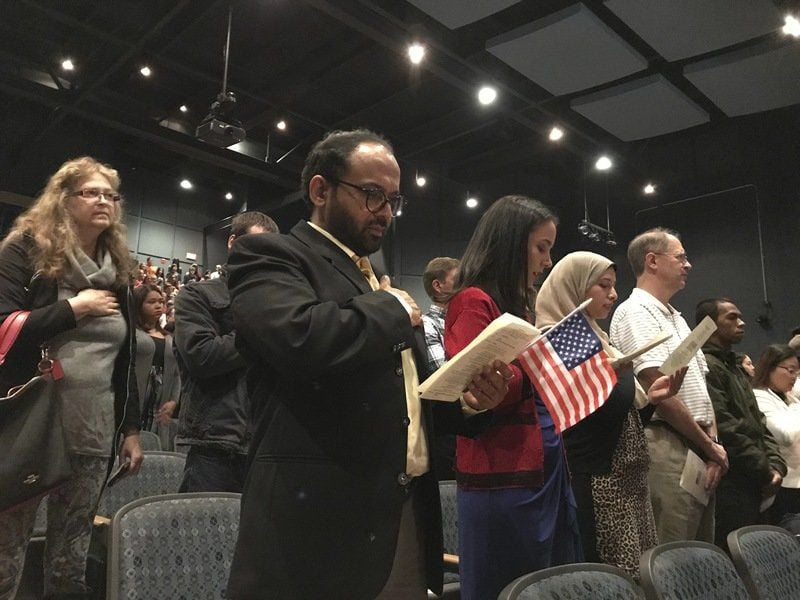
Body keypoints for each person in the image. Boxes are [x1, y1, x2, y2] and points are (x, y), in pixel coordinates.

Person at [224, 129, 509, 600]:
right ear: (320, 190)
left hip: (404, 512)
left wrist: (471, 403)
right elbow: (299, 339)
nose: (385, 212)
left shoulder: (375, 281)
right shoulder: (272, 254)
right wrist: (392, 307)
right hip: (314, 521)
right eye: (372, 194)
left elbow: (408, 398)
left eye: (393, 200)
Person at [0, 156, 143, 599]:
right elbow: (3, 322)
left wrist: (132, 428)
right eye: (91, 192)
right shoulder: (25, 249)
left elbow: (126, 356)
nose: (103, 201)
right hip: (33, 425)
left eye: (110, 195)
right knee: (7, 550)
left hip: (94, 429)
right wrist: (73, 309)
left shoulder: (117, 269)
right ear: (64, 199)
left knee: (72, 553)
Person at [444, 195, 584, 599]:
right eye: (541, 247)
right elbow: (477, 386)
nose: (547, 260)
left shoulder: (516, 308)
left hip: (542, 467)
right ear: (510, 244)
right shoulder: (472, 300)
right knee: (506, 586)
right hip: (503, 478)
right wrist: (540, 367)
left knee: (546, 584)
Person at [535, 251, 686, 576]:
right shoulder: (559, 336)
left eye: (614, 285)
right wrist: (622, 375)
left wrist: (650, 400)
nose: (614, 294)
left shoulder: (598, 337)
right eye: (603, 285)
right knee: (614, 580)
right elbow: (590, 414)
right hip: (599, 484)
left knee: (642, 578)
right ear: (573, 288)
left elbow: (617, 416)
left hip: (628, 481)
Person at [609, 228, 728, 544]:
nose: (688, 265)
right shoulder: (635, 312)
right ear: (652, 261)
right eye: (681, 257)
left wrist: (713, 445)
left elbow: (700, 389)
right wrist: (709, 446)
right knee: (673, 554)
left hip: (698, 443)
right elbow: (659, 391)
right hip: (669, 443)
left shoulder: (676, 317)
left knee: (702, 553)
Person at [173, 211, 278, 493]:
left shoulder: (278, 305)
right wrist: (262, 329)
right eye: (257, 246)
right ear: (233, 242)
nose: (264, 256)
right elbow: (202, 356)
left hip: (265, 448)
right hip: (214, 446)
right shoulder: (197, 295)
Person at [695, 298, 785, 551]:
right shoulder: (707, 367)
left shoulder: (734, 365)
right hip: (733, 482)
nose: (742, 323)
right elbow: (726, 428)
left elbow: (759, 423)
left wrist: (775, 465)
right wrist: (765, 472)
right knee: (736, 561)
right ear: (709, 325)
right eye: (732, 317)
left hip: (755, 479)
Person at [421, 256, 460, 480]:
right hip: (447, 429)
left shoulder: (462, 319)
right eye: (457, 278)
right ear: (438, 285)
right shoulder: (429, 324)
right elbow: (444, 374)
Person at [753, 344, 800, 522]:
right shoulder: (758, 396)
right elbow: (785, 435)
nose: (795, 376)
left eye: (797, 371)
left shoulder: (791, 399)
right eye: (790, 370)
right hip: (783, 485)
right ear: (770, 368)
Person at [133, 284, 181, 451]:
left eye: (161, 301)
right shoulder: (130, 332)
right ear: (138, 305)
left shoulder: (168, 337)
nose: (158, 305)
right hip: (136, 396)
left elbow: (176, 374)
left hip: (160, 400)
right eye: (151, 302)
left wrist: (174, 401)